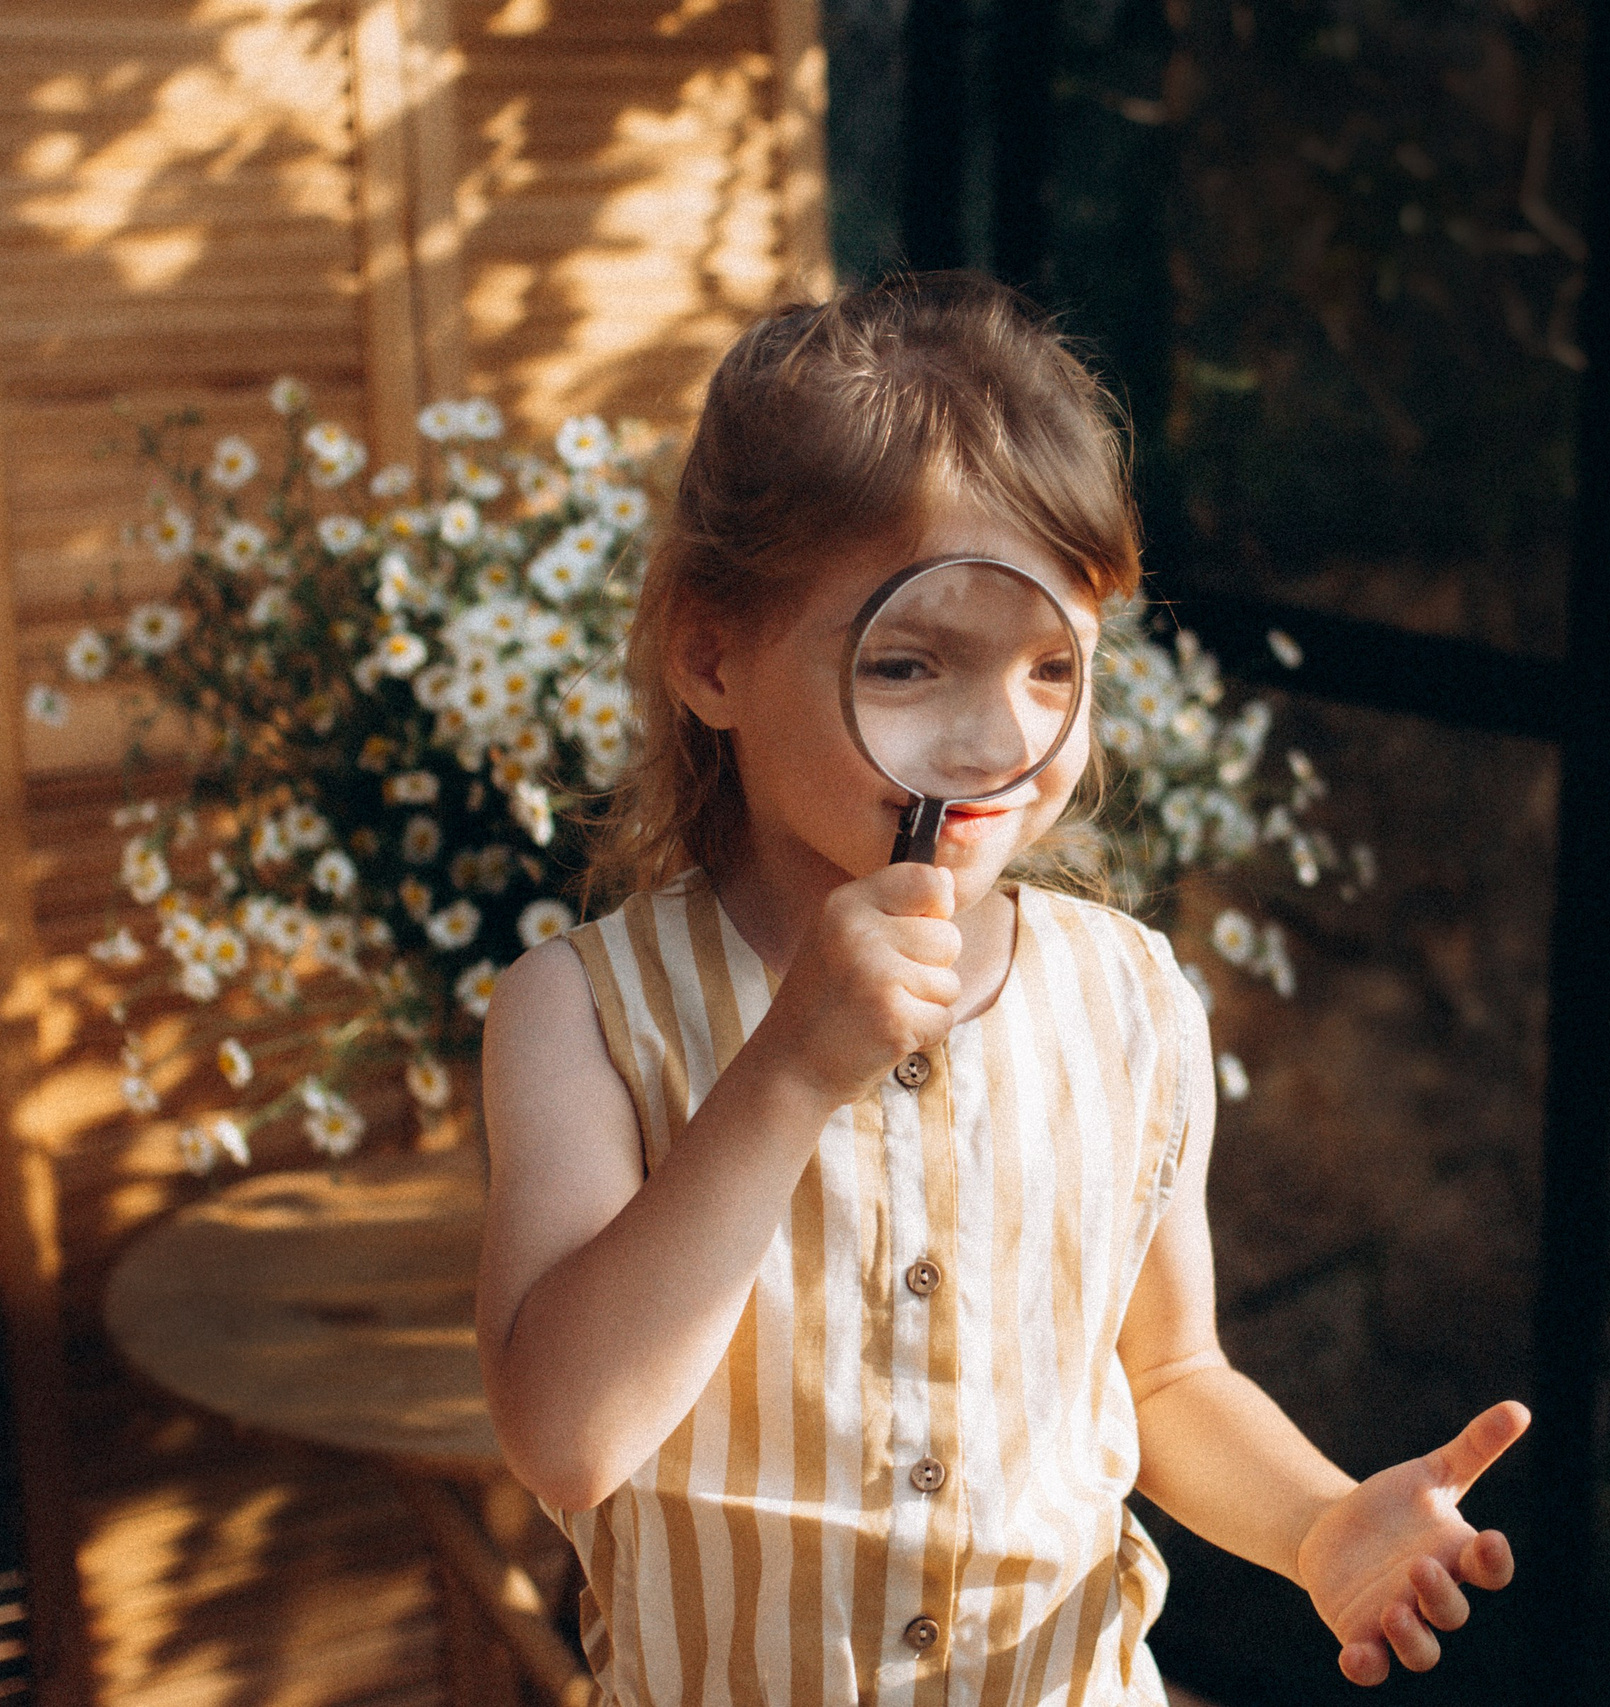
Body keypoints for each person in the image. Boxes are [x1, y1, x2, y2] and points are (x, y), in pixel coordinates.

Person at [474, 270, 1530, 1706]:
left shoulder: (1132, 1002)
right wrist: (787, 1072)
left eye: (1053, 668)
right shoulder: (582, 1014)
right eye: (909, 663)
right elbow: (567, 1439)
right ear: (712, 655)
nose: (998, 738)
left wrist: (1316, 1524)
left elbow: (1167, 1381)